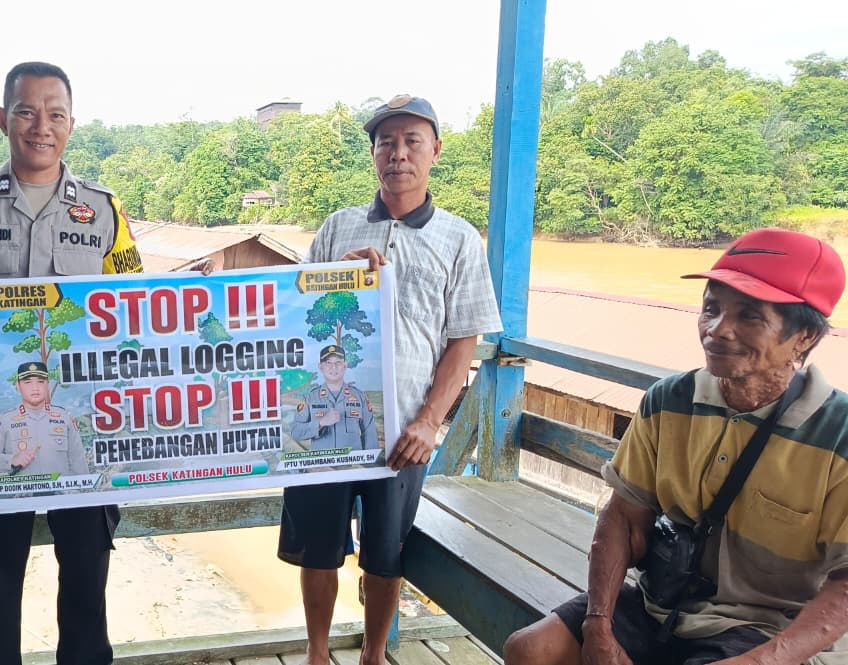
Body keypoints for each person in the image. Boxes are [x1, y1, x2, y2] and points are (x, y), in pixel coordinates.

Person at [503, 227, 848, 665]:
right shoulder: (670, 400)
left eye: (749, 317)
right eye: (711, 308)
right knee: (531, 650)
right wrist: (598, 626)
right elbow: (623, 518)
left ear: (805, 337)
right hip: (661, 605)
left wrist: (758, 661)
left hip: (765, 629)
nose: (718, 330)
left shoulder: (838, 433)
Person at [0, 61, 140, 665]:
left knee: (87, 574)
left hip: (81, 425)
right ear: (2, 118)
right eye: (26, 111)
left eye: (55, 113)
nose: (42, 126)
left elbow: (134, 306)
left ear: (72, 124)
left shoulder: (104, 211)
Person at [278, 94, 502, 665]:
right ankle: (317, 653)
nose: (398, 154)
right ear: (374, 153)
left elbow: (463, 340)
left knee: (385, 555)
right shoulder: (337, 227)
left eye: (411, 141)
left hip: (403, 430)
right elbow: (296, 316)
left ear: (435, 151)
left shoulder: (459, 238)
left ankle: (374, 655)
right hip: (328, 425)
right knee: (318, 550)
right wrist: (337, 278)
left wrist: (429, 423)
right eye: (386, 143)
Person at [0, 361, 88, 477]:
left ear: (48, 385)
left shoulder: (64, 417)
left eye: (40, 382)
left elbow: (79, 462)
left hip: (59, 488)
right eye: (28, 382)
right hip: (23, 488)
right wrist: (11, 460)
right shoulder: (5, 420)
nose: (35, 388)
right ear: (18, 386)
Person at [290, 344, 378, 451]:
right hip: (322, 461)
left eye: (338, 362)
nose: (334, 367)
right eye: (328, 363)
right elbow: (295, 432)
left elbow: (370, 434)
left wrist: (370, 460)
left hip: (352, 460)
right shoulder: (309, 398)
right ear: (320, 367)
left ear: (345, 365)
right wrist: (320, 423)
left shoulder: (360, 397)